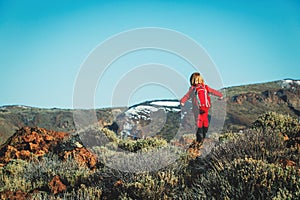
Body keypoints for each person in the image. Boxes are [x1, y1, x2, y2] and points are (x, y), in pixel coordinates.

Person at [180, 72, 223, 145]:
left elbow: (187, 96)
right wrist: (220, 95)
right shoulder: (204, 87)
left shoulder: (193, 89)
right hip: (204, 108)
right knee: (204, 122)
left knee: (200, 122)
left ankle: (200, 138)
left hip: (198, 109)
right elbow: (213, 91)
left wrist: (182, 101)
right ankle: (202, 137)